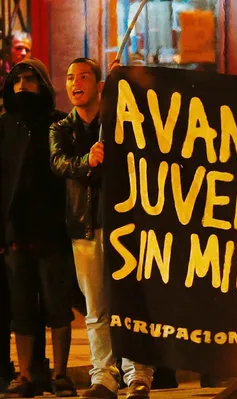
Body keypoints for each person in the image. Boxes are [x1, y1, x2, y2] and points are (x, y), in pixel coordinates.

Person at [50, 58, 154, 399]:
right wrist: (86, 161)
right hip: (85, 226)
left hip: (124, 224)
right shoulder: (61, 128)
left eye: (83, 76)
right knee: (96, 307)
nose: (75, 83)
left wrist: (122, 81)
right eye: (69, 77)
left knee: (132, 300)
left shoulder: (118, 120)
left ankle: (137, 374)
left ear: (98, 85)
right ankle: (104, 377)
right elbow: (59, 163)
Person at [0, 58, 76, 398]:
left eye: (29, 80)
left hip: (52, 230)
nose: (22, 87)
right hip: (15, 232)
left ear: (42, 83)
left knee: (57, 302)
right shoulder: (5, 125)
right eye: (17, 81)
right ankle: (27, 374)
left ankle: (60, 374)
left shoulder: (59, 124)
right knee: (21, 307)